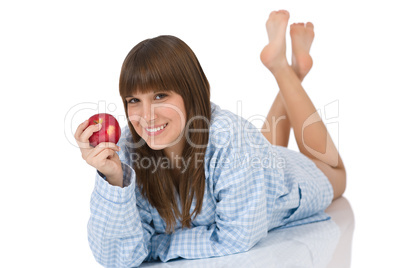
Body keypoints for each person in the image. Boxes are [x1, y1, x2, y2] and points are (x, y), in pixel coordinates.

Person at [74, 10, 346, 267]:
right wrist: (113, 179)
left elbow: (235, 237)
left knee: (336, 172)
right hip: (254, 163)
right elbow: (117, 258)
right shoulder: (125, 151)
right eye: (134, 100)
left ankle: (283, 68)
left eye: (160, 96)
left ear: (191, 92)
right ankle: (294, 69)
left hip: (285, 179)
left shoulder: (232, 139)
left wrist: (155, 246)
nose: (146, 116)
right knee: (262, 149)